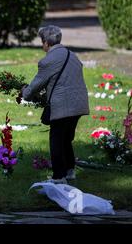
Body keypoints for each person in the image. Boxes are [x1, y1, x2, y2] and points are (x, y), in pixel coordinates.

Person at [22, 25, 89, 184]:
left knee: (56, 140)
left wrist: (24, 92)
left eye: (41, 42)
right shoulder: (72, 55)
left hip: (63, 106)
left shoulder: (48, 60)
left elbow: (36, 85)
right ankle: (70, 170)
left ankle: (59, 176)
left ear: (46, 42)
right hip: (79, 103)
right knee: (66, 139)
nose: (41, 45)